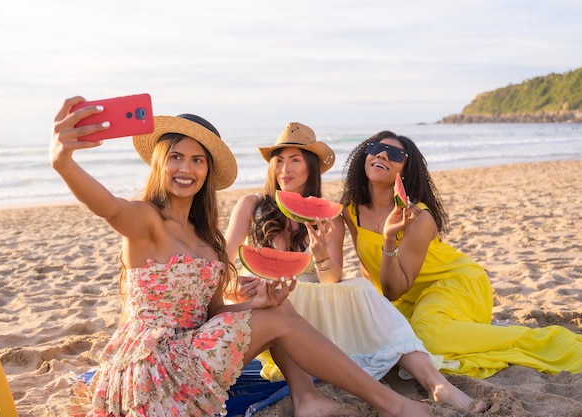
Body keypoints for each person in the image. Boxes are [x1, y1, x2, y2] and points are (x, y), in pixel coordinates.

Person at [50, 97, 436, 417]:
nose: (186, 168)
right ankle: (386, 403)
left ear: (207, 172)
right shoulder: (146, 220)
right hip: (155, 372)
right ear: (159, 163)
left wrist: (256, 303)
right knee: (280, 316)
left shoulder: (207, 240)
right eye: (176, 157)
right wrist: (63, 160)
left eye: (198, 160)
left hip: (193, 350)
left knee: (278, 310)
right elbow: (107, 206)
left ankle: (321, 400)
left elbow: (213, 313)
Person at [224, 122, 484, 413]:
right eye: (279, 160)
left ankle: (437, 384)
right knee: (298, 298)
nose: (285, 168)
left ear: (310, 167)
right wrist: (233, 285)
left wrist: (320, 254)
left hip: (310, 310)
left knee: (361, 289)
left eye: (295, 160)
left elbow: (331, 279)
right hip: (263, 303)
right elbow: (224, 261)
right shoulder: (251, 204)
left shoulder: (330, 216)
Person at [341, 130, 582, 379]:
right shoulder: (350, 207)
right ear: (364, 155)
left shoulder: (419, 218)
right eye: (375, 147)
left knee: (427, 333)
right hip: (412, 298)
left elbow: (394, 290)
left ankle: (546, 339)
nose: (381, 153)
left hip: (457, 284)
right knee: (372, 337)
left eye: (394, 153)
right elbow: (368, 266)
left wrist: (390, 237)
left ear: (406, 170)